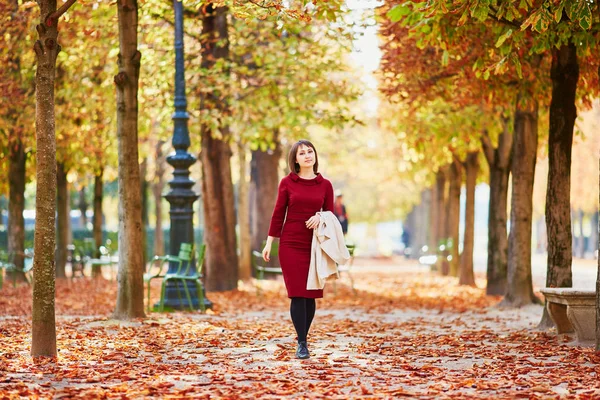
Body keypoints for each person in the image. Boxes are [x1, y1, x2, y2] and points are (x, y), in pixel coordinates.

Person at [262, 139, 334, 360]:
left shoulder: (325, 185)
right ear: (295, 159)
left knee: (310, 294)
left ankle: (305, 336)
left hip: (313, 245)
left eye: (310, 151)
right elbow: (278, 213)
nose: (307, 155)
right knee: (297, 295)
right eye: (301, 153)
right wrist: (269, 242)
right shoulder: (287, 182)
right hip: (290, 243)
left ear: (315, 155)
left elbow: (331, 216)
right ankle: (301, 342)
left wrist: (319, 216)